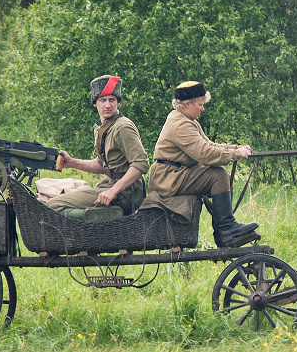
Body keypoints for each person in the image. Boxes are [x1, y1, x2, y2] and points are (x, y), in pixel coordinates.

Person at [145, 80, 258, 247]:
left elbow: (209, 145)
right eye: (200, 104)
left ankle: (227, 228)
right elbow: (205, 154)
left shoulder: (186, 119)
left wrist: (237, 149)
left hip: (174, 175)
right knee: (218, 176)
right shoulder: (181, 124)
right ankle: (225, 230)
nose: (202, 109)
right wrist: (235, 154)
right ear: (187, 104)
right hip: (168, 179)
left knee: (223, 177)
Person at [47, 75, 149, 218]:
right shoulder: (105, 127)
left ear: (118, 102)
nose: (107, 105)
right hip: (109, 185)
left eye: (112, 100)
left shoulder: (122, 127)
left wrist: (113, 191)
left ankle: (99, 220)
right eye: (103, 100)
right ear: (95, 103)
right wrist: (72, 163)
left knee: (53, 206)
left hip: (125, 193)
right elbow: (102, 165)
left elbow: (141, 164)